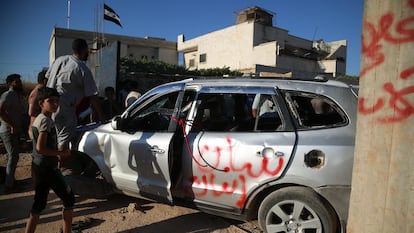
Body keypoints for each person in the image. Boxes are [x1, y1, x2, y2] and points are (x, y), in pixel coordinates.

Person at [24, 87, 74, 233]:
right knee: (69, 198)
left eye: (57, 101)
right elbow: (40, 147)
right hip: (48, 168)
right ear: (41, 103)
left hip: (39, 166)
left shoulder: (39, 119)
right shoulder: (45, 121)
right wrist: (60, 153)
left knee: (39, 204)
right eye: (50, 101)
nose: (55, 104)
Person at [46, 38, 105, 152]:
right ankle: (61, 165)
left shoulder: (59, 60)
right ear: (84, 49)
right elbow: (92, 96)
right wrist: (102, 117)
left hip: (49, 105)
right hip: (65, 108)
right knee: (63, 140)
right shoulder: (82, 68)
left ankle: (55, 163)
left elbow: (47, 79)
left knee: (54, 136)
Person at [0, 73, 24, 193]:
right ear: (10, 84)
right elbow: (1, 111)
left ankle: (11, 181)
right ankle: (9, 186)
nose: (19, 83)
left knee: (14, 156)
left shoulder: (16, 95)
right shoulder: (8, 95)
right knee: (13, 156)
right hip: (8, 131)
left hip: (14, 130)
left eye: (19, 81)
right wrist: (12, 125)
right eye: (16, 81)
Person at [27, 69, 48, 140]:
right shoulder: (36, 93)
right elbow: (31, 112)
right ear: (45, 80)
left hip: (39, 128)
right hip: (37, 129)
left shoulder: (41, 91)